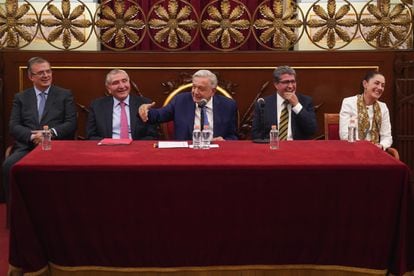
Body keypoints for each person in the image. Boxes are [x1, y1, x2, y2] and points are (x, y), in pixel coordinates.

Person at [2, 57, 77, 202]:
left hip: (57, 146)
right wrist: (33, 137)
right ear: (31, 76)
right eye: (41, 73)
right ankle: (15, 213)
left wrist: (48, 134)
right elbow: (14, 126)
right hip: (27, 147)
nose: (46, 75)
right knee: (8, 166)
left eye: (48, 71)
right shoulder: (21, 98)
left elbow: (71, 123)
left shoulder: (64, 95)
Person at [138, 69, 238, 140]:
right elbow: (158, 116)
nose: (195, 92)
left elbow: (233, 136)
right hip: (186, 154)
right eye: (194, 87)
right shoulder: (181, 101)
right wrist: (144, 111)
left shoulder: (228, 106)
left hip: (216, 154)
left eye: (201, 88)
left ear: (213, 91)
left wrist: (224, 141)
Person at [86, 69, 159, 140]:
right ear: (108, 89)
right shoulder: (97, 106)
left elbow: (152, 135)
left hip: (136, 148)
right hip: (108, 149)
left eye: (124, 81)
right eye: (115, 83)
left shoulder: (144, 104)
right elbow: (91, 136)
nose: (121, 86)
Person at [252, 65, 317, 140]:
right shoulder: (263, 103)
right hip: (272, 147)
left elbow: (312, 130)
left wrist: (296, 105)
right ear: (276, 84)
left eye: (293, 82)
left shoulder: (305, 101)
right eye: (286, 82)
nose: (290, 86)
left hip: (297, 148)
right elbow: (255, 134)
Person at [339, 71, 392, 149]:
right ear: (365, 84)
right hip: (353, 150)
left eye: (383, 85)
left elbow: (387, 137)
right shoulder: (349, 103)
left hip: (376, 151)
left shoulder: (383, 107)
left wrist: (381, 146)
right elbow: (344, 135)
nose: (380, 88)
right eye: (377, 83)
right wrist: (365, 146)